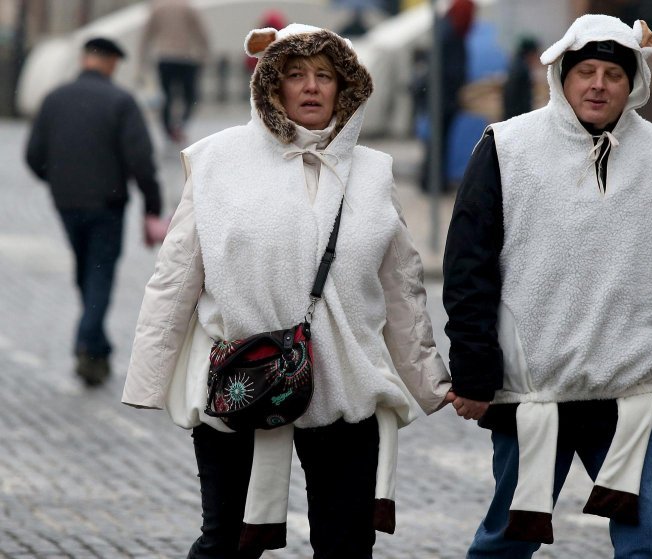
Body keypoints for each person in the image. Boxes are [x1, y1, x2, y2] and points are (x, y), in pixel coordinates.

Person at [122, 23, 452, 559]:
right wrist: (147, 378)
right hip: (243, 382)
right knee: (225, 542)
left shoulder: (373, 173)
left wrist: (432, 384)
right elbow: (176, 275)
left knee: (345, 545)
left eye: (325, 75)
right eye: (296, 74)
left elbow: (403, 292)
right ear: (271, 86)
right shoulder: (217, 162)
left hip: (346, 391)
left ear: (346, 88)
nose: (312, 86)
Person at [443, 14, 652, 558]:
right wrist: (473, 369)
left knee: (648, 547)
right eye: (586, 71)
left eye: (613, 73)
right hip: (535, 390)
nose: (598, 84)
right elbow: (468, 269)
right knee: (505, 545)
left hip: (628, 393)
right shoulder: (508, 148)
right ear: (562, 76)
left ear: (634, 83)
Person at [25, 37, 163, 387]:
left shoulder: (54, 100)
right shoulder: (121, 101)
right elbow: (141, 161)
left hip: (67, 203)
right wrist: (152, 206)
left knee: (86, 270)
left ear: (84, 59)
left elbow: (33, 155)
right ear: (112, 63)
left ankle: (97, 348)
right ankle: (88, 344)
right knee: (98, 273)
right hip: (107, 204)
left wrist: (57, 180)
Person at [419, 0, 475, 193]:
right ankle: (433, 183)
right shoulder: (451, 33)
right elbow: (448, 70)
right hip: (444, 99)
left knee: (437, 141)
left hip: (442, 98)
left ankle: (433, 181)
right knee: (438, 142)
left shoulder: (446, 28)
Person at [139, 0, 210, 143]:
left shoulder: (157, 8)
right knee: (190, 96)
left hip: (165, 57)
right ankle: (180, 125)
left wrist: (142, 59)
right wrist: (205, 53)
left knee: (166, 96)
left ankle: (169, 129)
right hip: (187, 57)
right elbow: (201, 32)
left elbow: (146, 34)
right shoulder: (188, 8)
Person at [502, 36, 539, 120]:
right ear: (530, 53)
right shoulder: (522, 70)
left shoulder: (516, 65)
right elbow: (521, 101)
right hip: (517, 119)